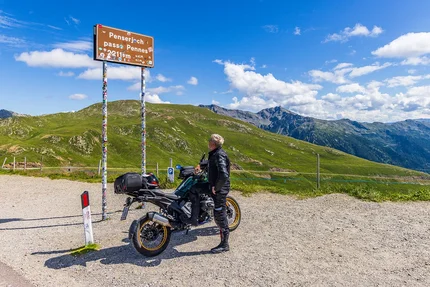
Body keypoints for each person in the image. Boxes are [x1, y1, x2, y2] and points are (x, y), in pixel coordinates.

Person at [181, 134, 231, 253]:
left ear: (213, 143)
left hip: (219, 189)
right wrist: (200, 166)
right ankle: (194, 218)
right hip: (212, 185)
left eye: (209, 141)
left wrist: (216, 187)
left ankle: (225, 244)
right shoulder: (215, 153)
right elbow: (209, 163)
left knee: (220, 215)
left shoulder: (220, 155)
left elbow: (224, 174)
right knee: (194, 189)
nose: (208, 142)